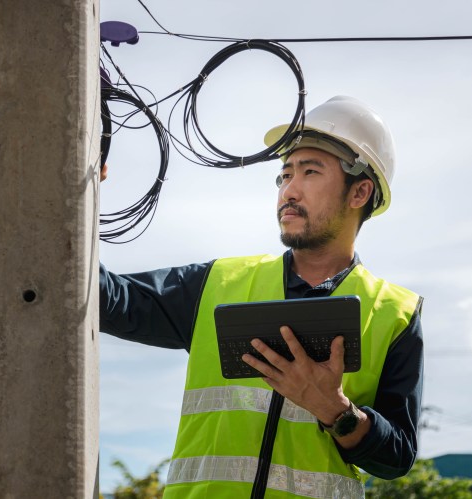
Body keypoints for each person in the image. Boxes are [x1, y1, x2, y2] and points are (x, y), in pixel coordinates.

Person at [99, 96, 424, 498]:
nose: (289, 189)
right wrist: (72, 193)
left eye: (309, 172)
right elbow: (105, 301)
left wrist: (335, 411)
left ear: (359, 192)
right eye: (285, 175)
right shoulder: (219, 283)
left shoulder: (395, 313)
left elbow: (397, 458)